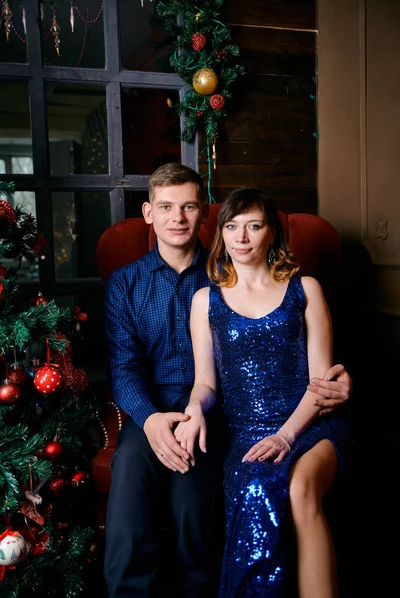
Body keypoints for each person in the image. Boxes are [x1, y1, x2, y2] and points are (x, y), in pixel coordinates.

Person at [103, 164, 352, 598]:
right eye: (165, 207)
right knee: (128, 466)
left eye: (188, 207)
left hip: (224, 413)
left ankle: (199, 589)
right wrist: (151, 419)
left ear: (203, 216)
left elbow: (309, 364)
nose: (177, 217)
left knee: (193, 488)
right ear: (148, 214)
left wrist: (340, 381)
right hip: (161, 406)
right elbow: (125, 368)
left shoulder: (226, 275)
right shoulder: (128, 284)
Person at [174, 187, 352, 598]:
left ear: (271, 233)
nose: (242, 237)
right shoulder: (205, 300)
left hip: (312, 425)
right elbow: (205, 384)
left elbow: (322, 384)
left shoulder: (305, 289)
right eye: (232, 227)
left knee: (300, 489)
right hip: (247, 434)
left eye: (254, 226)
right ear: (221, 234)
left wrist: (286, 435)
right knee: (255, 485)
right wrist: (194, 409)